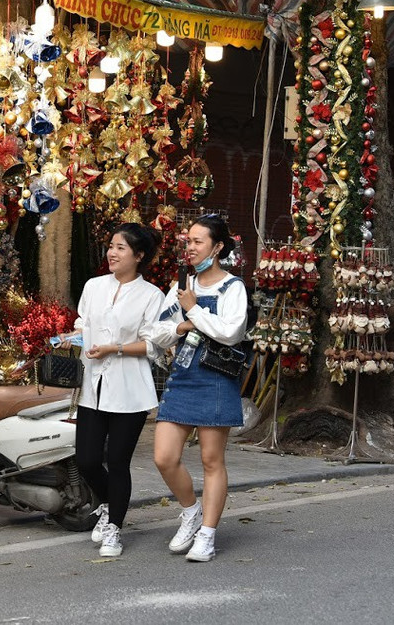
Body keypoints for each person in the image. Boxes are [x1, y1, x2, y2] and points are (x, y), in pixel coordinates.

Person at [142, 215, 248, 563]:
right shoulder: (181, 286)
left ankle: (207, 534)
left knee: (211, 460)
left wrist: (193, 312)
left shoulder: (232, 287)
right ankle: (190, 512)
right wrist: (183, 324)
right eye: (188, 242)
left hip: (216, 378)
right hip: (183, 375)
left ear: (217, 247)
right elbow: (155, 331)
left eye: (198, 242)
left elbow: (230, 332)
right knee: (164, 457)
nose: (190, 248)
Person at [67, 223, 165, 558]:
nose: (112, 252)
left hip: (130, 390)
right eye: (111, 245)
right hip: (94, 387)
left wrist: (115, 348)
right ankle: (109, 505)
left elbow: (152, 345)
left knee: (118, 461)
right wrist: (75, 336)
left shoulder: (152, 296)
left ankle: (115, 529)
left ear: (138, 256)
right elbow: (83, 321)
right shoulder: (94, 286)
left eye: (121, 248)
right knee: (87, 460)